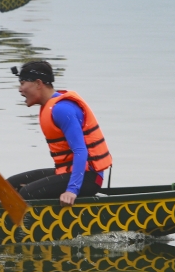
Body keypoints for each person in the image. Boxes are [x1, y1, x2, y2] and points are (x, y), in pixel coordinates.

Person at [7, 61, 112, 206]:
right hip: (67, 171)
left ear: (38, 83)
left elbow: (80, 151)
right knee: (8, 186)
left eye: (22, 83)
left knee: (27, 193)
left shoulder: (62, 109)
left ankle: (33, 225)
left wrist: (72, 190)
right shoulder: (49, 107)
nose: (20, 89)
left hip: (89, 177)